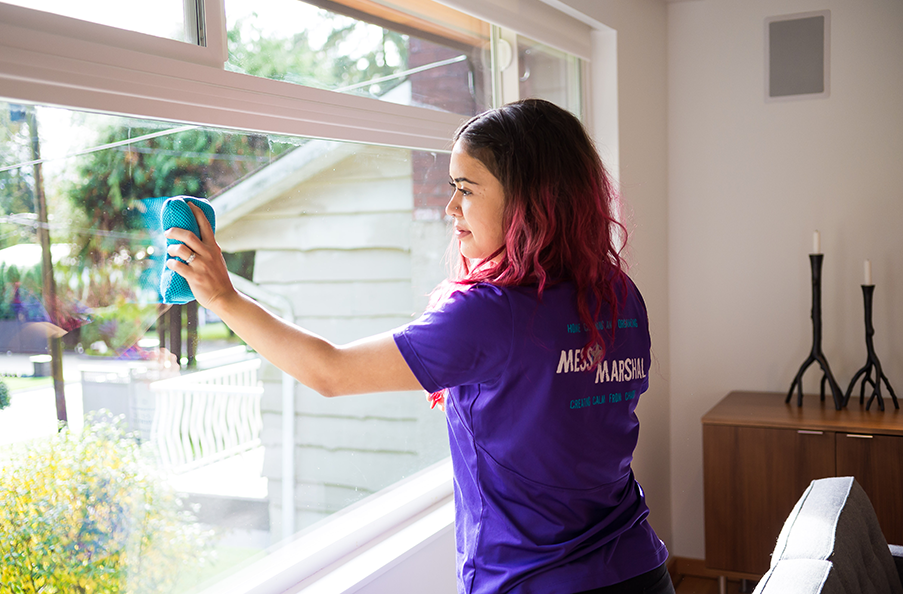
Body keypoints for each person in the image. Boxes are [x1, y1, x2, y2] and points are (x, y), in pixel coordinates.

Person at [166, 98, 672, 594]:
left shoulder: (492, 313)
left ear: (528, 199)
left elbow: (331, 372)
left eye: (466, 189)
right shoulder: (618, 294)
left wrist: (223, 298)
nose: (451, 207)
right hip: (640, 568)